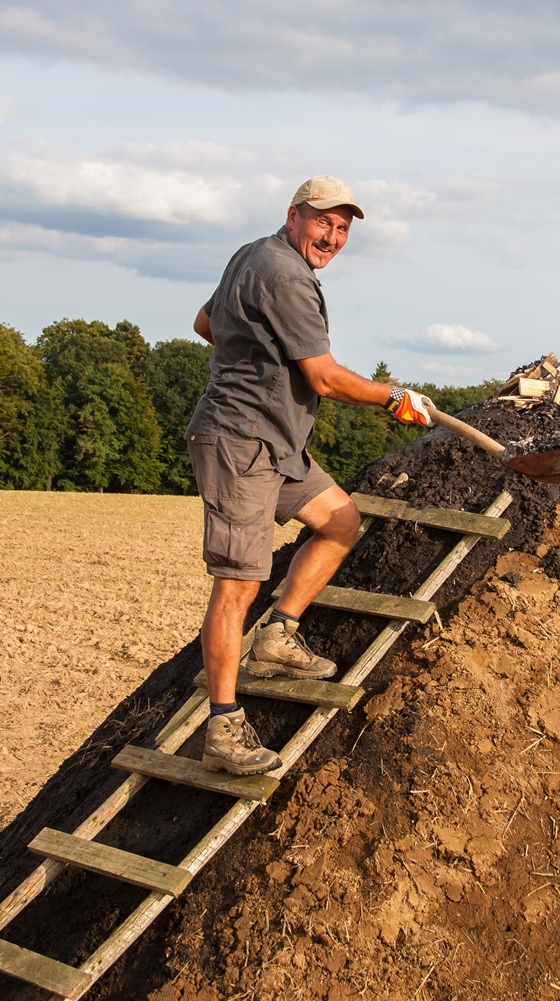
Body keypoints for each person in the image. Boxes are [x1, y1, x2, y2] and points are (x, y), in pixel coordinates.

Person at [187, 175, 434, 776]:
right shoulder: (286, 275)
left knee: (340, 521)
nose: (333, 235)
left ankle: (278, 637)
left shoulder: (252, 254)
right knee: (238, 583)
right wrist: (392, 396)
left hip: (277, 441)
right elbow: (323, 378)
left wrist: (255, 352)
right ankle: (222, 729)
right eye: (324, 221)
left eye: (344, 227)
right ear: (294, 214)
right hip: (241, 443)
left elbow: (203, 322)